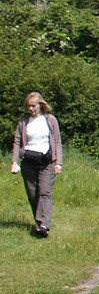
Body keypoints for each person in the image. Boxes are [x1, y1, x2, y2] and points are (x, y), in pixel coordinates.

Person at [10, 92, 63, 238]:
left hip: (47, 162)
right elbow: (17, 141)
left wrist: (58, 162)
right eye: (28, 106)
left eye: (33, 106)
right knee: (33, 194)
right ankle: (39, 223)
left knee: (45, 192)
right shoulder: (24, 122)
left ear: (40, 104)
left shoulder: (50, 120)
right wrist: (14, 161)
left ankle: (44, 225)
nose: (31, 109)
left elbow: (57, 142)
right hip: (28, 162)